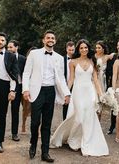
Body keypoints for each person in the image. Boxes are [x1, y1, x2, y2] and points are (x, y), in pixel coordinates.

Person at [50, 39, 109, 156]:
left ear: (88, 49)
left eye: (86, 47)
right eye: (81, 48)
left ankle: (84, 143)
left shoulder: (93, 61)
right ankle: (72, 139)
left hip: (90, 92)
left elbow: (96, 80)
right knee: (79, 118)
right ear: (78, 49)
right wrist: (65, 92)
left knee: (88, 118)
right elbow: (71, 79)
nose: (84, 50)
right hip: (77, 92)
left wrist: (101, 94)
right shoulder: (72, 62)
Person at [22, 30, 70, 163]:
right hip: (36, 91)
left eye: (52, 38)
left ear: (55, 41)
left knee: (47, 124)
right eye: (48, 38)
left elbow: (61, 78)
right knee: (35, 122)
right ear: (43, 40)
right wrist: (25, 89)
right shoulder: (34, 54)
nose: (50, 39)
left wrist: (66, 93)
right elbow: (26, 73)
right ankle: (33, 144)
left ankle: (45, 152)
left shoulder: (59, 58)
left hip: (50, 92)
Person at [7, 40, 26, 141]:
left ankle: (14, 133)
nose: (9, 49)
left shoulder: (23, 59)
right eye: (8, 47)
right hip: (5, 85)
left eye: (11, 47)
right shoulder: (4, 57)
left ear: (16, 47)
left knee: (15, 110)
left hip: (18, 87)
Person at [94, 40, 114, 120]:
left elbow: (115, 54)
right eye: (96, 48)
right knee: (94, 100)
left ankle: (98, 122)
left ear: (103, 49)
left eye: (99, 48)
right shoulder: (93, 56)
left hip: (102, 81)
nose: (97, 49)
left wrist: (113, 54)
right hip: (93, 80)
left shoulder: (106, 57)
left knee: (100, 101)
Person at [63, 41, 75, 120]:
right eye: (69, 50)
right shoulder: (61, 59)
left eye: (72, 50)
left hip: (76, 85)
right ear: (66, 49)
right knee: (66, 105)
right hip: (65, 84)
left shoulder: (78, 59)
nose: (71, 52)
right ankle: (65, 121)